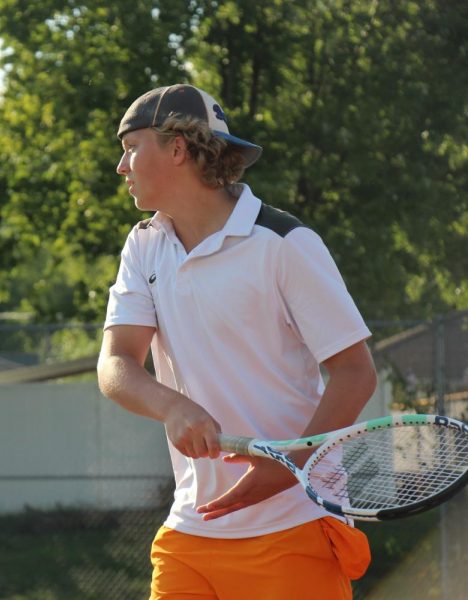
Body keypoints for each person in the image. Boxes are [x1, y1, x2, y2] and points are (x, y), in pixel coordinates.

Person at [97, 83, 377, 599]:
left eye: (131, 146)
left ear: (177, 148)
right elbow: (115, 364)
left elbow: (356, 373)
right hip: (190, 531)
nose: (121, 165)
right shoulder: (143, 245)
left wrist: (288, 468)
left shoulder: (286, 243)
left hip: (293, 529)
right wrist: (173, 408)